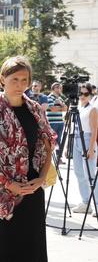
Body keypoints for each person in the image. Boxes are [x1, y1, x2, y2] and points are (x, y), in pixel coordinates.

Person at [0, 56, 56, 262]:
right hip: (3, 190)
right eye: (15, 80)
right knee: (4, 249)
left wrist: (42, 177)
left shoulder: (35, 109)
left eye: (24, 80)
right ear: (3, 79)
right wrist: (10, 184)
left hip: (31, 187)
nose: (20, 85)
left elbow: (49, 145)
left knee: (32, 248)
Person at [71, 83, 97, 217]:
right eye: (80, 93)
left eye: (85, 94)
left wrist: (91, 148)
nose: (82, 96)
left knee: (90, 175)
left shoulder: (92, 109)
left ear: (90, 94)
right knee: (79, 173)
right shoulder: (78, 108)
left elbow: (94, 130)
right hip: (76, 139)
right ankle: (85, 202)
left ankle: (97, 204)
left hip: (87, 139)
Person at [46, 82, 67, 158]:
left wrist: (60, 104)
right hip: (52, 123)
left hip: (60, 122)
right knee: (51, 141)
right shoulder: (49, 97)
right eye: (57, 87)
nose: (59, 89)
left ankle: (59, 158)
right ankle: (49, 158)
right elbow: (53, 109)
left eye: (60, 88)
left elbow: (66, 109)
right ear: (53, 88)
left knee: (59, 141)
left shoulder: (60, 98)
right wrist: (60, 108)